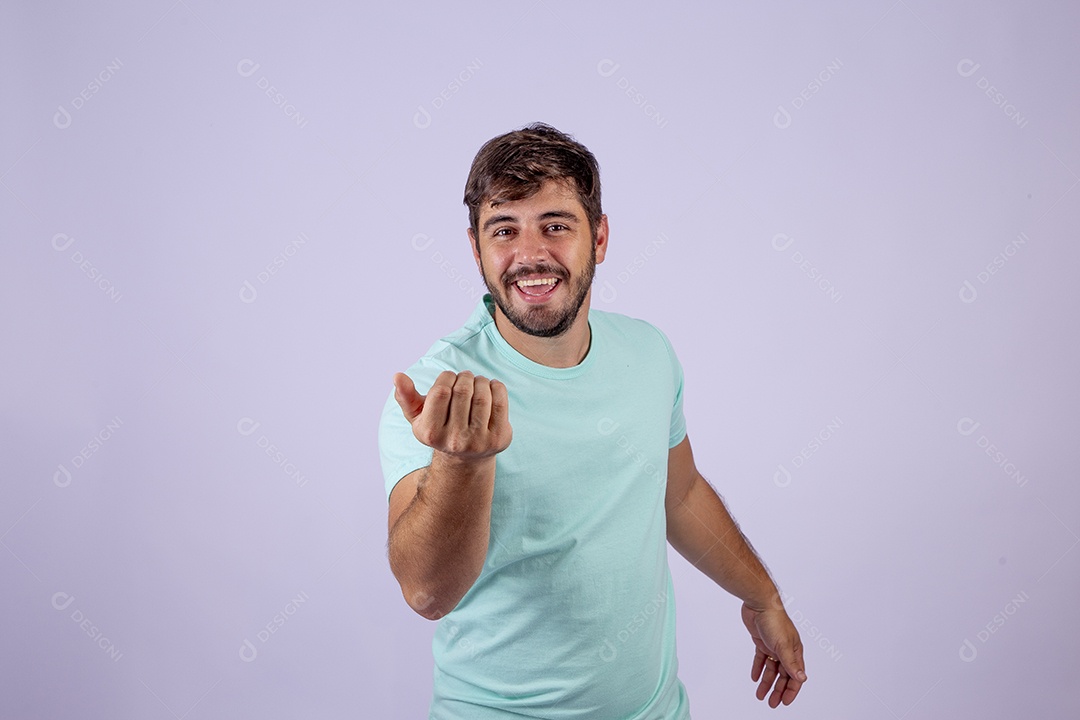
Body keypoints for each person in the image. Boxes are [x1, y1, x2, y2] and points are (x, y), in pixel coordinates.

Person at [378, 122, 807, 719]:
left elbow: (677, 493)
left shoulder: (648, 353)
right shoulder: (437, 394)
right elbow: (427, 593)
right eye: (505, 230)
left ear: (599, 238)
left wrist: (763, 597)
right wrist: (462, 460)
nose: (530, 254)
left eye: (556, 225)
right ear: (476, 250)